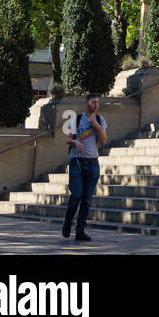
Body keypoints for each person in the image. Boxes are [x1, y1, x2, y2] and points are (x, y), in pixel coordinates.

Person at [62, 93, 108, 242]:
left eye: (97, 102)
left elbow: (103, 141)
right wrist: (76, 143)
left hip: (93, 163)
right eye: (93, 102)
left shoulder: (100, 120)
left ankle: (80, 231)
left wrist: (95, 125)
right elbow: (68, 140)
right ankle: (68, 222)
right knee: (76, 195)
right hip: (77, 162)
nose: (96, 105)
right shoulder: (77, 119)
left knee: (87, 199)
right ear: (87, 103)